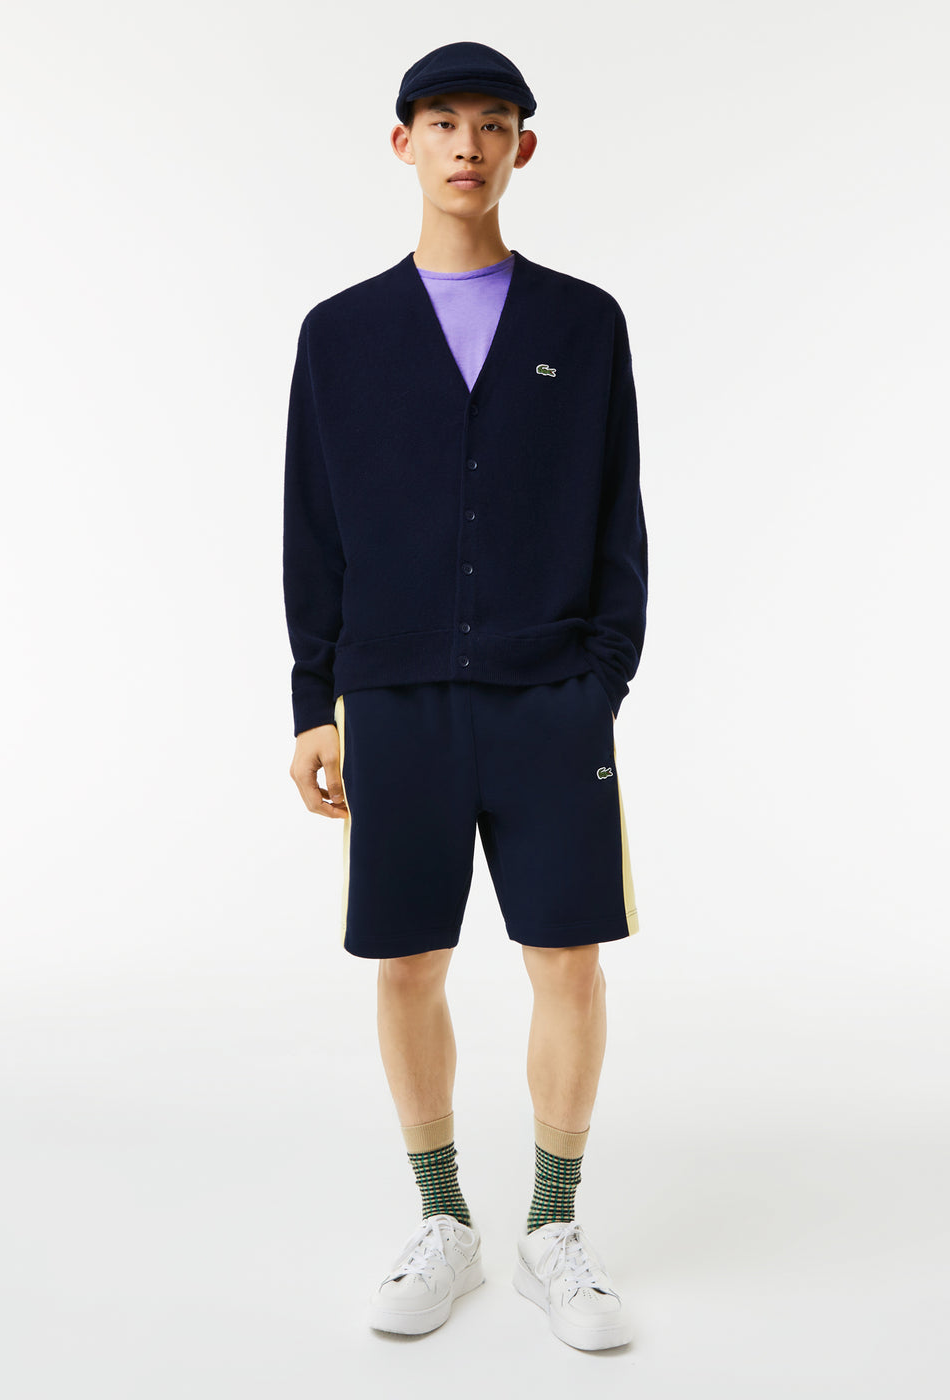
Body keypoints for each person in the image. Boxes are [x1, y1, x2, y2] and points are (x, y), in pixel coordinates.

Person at [281, 40, 647, 1352]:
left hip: (551, 698)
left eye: (493, 124)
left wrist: (599, 681)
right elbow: (313, 528)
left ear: (522, 150)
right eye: (443, 122)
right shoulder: (340, 335)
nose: (468, 146)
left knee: (568, 957)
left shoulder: (583, 326)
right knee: (407, 959)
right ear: (404, 144)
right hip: (393, 698)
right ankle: (445, 1218)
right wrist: (314, 700)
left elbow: (618, 519)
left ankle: (553, 1223)